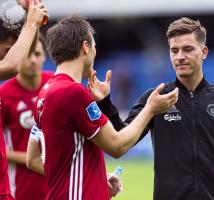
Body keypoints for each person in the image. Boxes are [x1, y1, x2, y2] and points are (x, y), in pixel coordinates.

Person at [90, 17, 214, 200]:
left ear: (204, 52)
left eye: (188, 49)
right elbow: (121, 135)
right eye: (174, 50)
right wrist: (105, 103)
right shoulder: (155, 98)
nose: (180, 56)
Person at [25, 15, 178, 200]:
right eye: (94, 45)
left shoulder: (46, 91)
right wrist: (150, 109)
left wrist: (95, 179)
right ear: (85, 47)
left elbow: (33, 159)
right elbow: (117, 146)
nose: (95, 51)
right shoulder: (73, 93)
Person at [0, 1, 48, 199]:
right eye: (5, 51)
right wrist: (30, 24)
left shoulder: (53, 85)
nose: (31, 59)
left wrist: (32, 20)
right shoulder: (6, 90)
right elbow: (13, 65)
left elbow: (20, 57)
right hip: (18, 186)